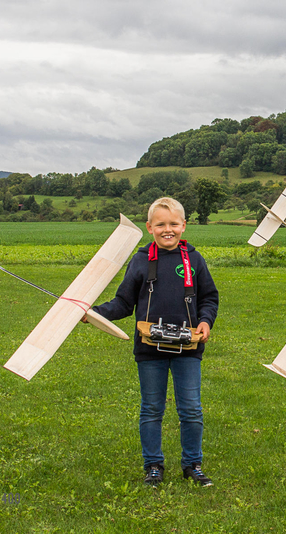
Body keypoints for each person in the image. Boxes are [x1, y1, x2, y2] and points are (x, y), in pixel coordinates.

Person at [91, 197, 219, 487]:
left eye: (174, 224)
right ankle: (153, 466)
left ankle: (192, 464)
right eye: (160, 224)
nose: (167, 230)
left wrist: (205, 321)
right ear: (149, 227)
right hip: (150, 348)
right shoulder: (140, 260)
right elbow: (124, 302)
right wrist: (95, 313)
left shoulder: (195, 260)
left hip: (188, 347)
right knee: (151, 408)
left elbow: (210, 297)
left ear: (184, 226)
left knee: (191, 408)